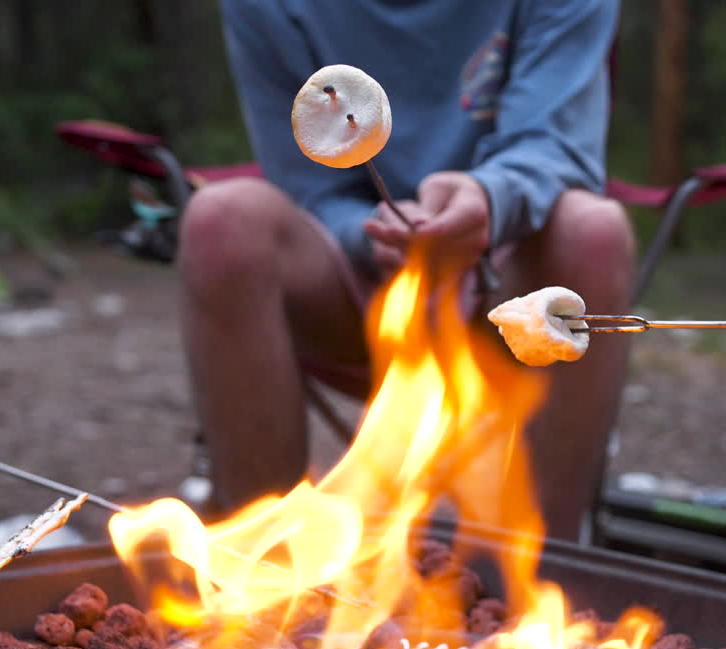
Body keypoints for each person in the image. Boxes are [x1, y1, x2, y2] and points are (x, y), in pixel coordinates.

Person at [180, 0, 633, 541]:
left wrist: (488, 200)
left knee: (594, 230)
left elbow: (556, 146)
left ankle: (543, 572)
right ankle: (261, 571)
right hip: (352, 276)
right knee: (220, 221)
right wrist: (376, 232)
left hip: (512, 273)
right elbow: (307, 182)